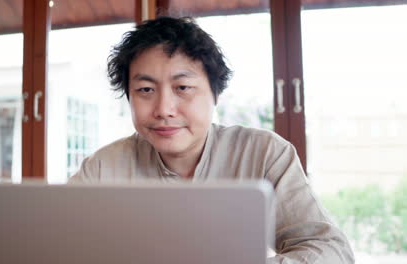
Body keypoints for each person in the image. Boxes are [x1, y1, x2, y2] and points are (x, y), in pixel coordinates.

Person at [70, 17, 354, 263]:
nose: (164, 109)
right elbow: (59, 244)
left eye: (183, 87)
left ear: (215, 94)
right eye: (145, 89)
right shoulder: (103, 167)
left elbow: (330, 251)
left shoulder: (264, 153)